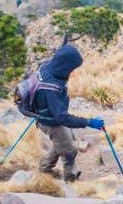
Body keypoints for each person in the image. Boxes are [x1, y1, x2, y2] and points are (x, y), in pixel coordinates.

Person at [30, 44, 104, 181]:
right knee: (69, 150)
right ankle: (71, 178)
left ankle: (44, 168)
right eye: (71, 68)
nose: (73, 72)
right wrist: (89, 122)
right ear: (64, 65)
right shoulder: (51, 87)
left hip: (45, 113)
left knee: (63, 139)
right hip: (50, 121)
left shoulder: (47, 67)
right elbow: (62, 118)